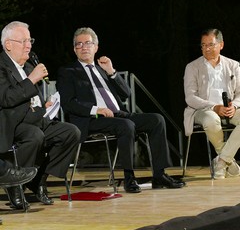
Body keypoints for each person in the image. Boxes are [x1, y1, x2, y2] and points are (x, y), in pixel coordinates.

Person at [57, 27, 185, 193]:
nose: (83, 47)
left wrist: (112, 72)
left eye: (88, 43)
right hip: (91, 119)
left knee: (156, 119)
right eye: (79, 44)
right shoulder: (68, 72)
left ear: (96, 47)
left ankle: (159, 175)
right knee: (126, 125)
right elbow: (67, 103)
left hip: (119, 115)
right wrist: (96, 110)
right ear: (74, 49)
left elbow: (126, 93)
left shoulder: (102, 69)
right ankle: (129, 177)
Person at [0, 21, 81, 209]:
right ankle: (15, 185)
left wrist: (44, 104)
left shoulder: (28, 66)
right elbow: (6, 99)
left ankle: (38, 179)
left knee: (71, 133)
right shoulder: (1, 66)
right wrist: (32, 79)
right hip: (13, 122)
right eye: (24, 41)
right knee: (34, 136)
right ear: (8, 44)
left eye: (30, 40)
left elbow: (31, 97)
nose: (29, 45)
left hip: (37, 117)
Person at [183, 28, 240, 180]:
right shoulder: (192, 67)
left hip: (229, 108)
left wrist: (233, 105)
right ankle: (228, 160)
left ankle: (221, 161)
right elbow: (190, 97)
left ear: (221, 45)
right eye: (203, 45)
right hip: (202, 109)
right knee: (211, 119)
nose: (206, 49)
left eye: (210, 45)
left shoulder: (234, 65)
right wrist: (214, 107)